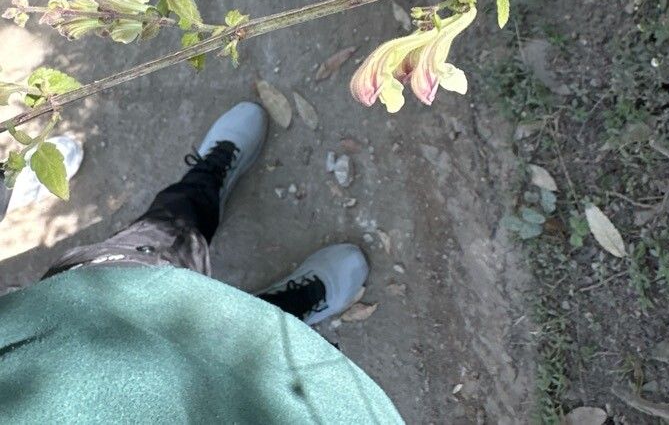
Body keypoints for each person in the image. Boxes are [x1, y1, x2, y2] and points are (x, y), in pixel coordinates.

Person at [0, 102, 403, 424]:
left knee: (166, 237)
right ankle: (279, 316)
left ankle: (203, 185)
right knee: (258, 376)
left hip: (81, 320)